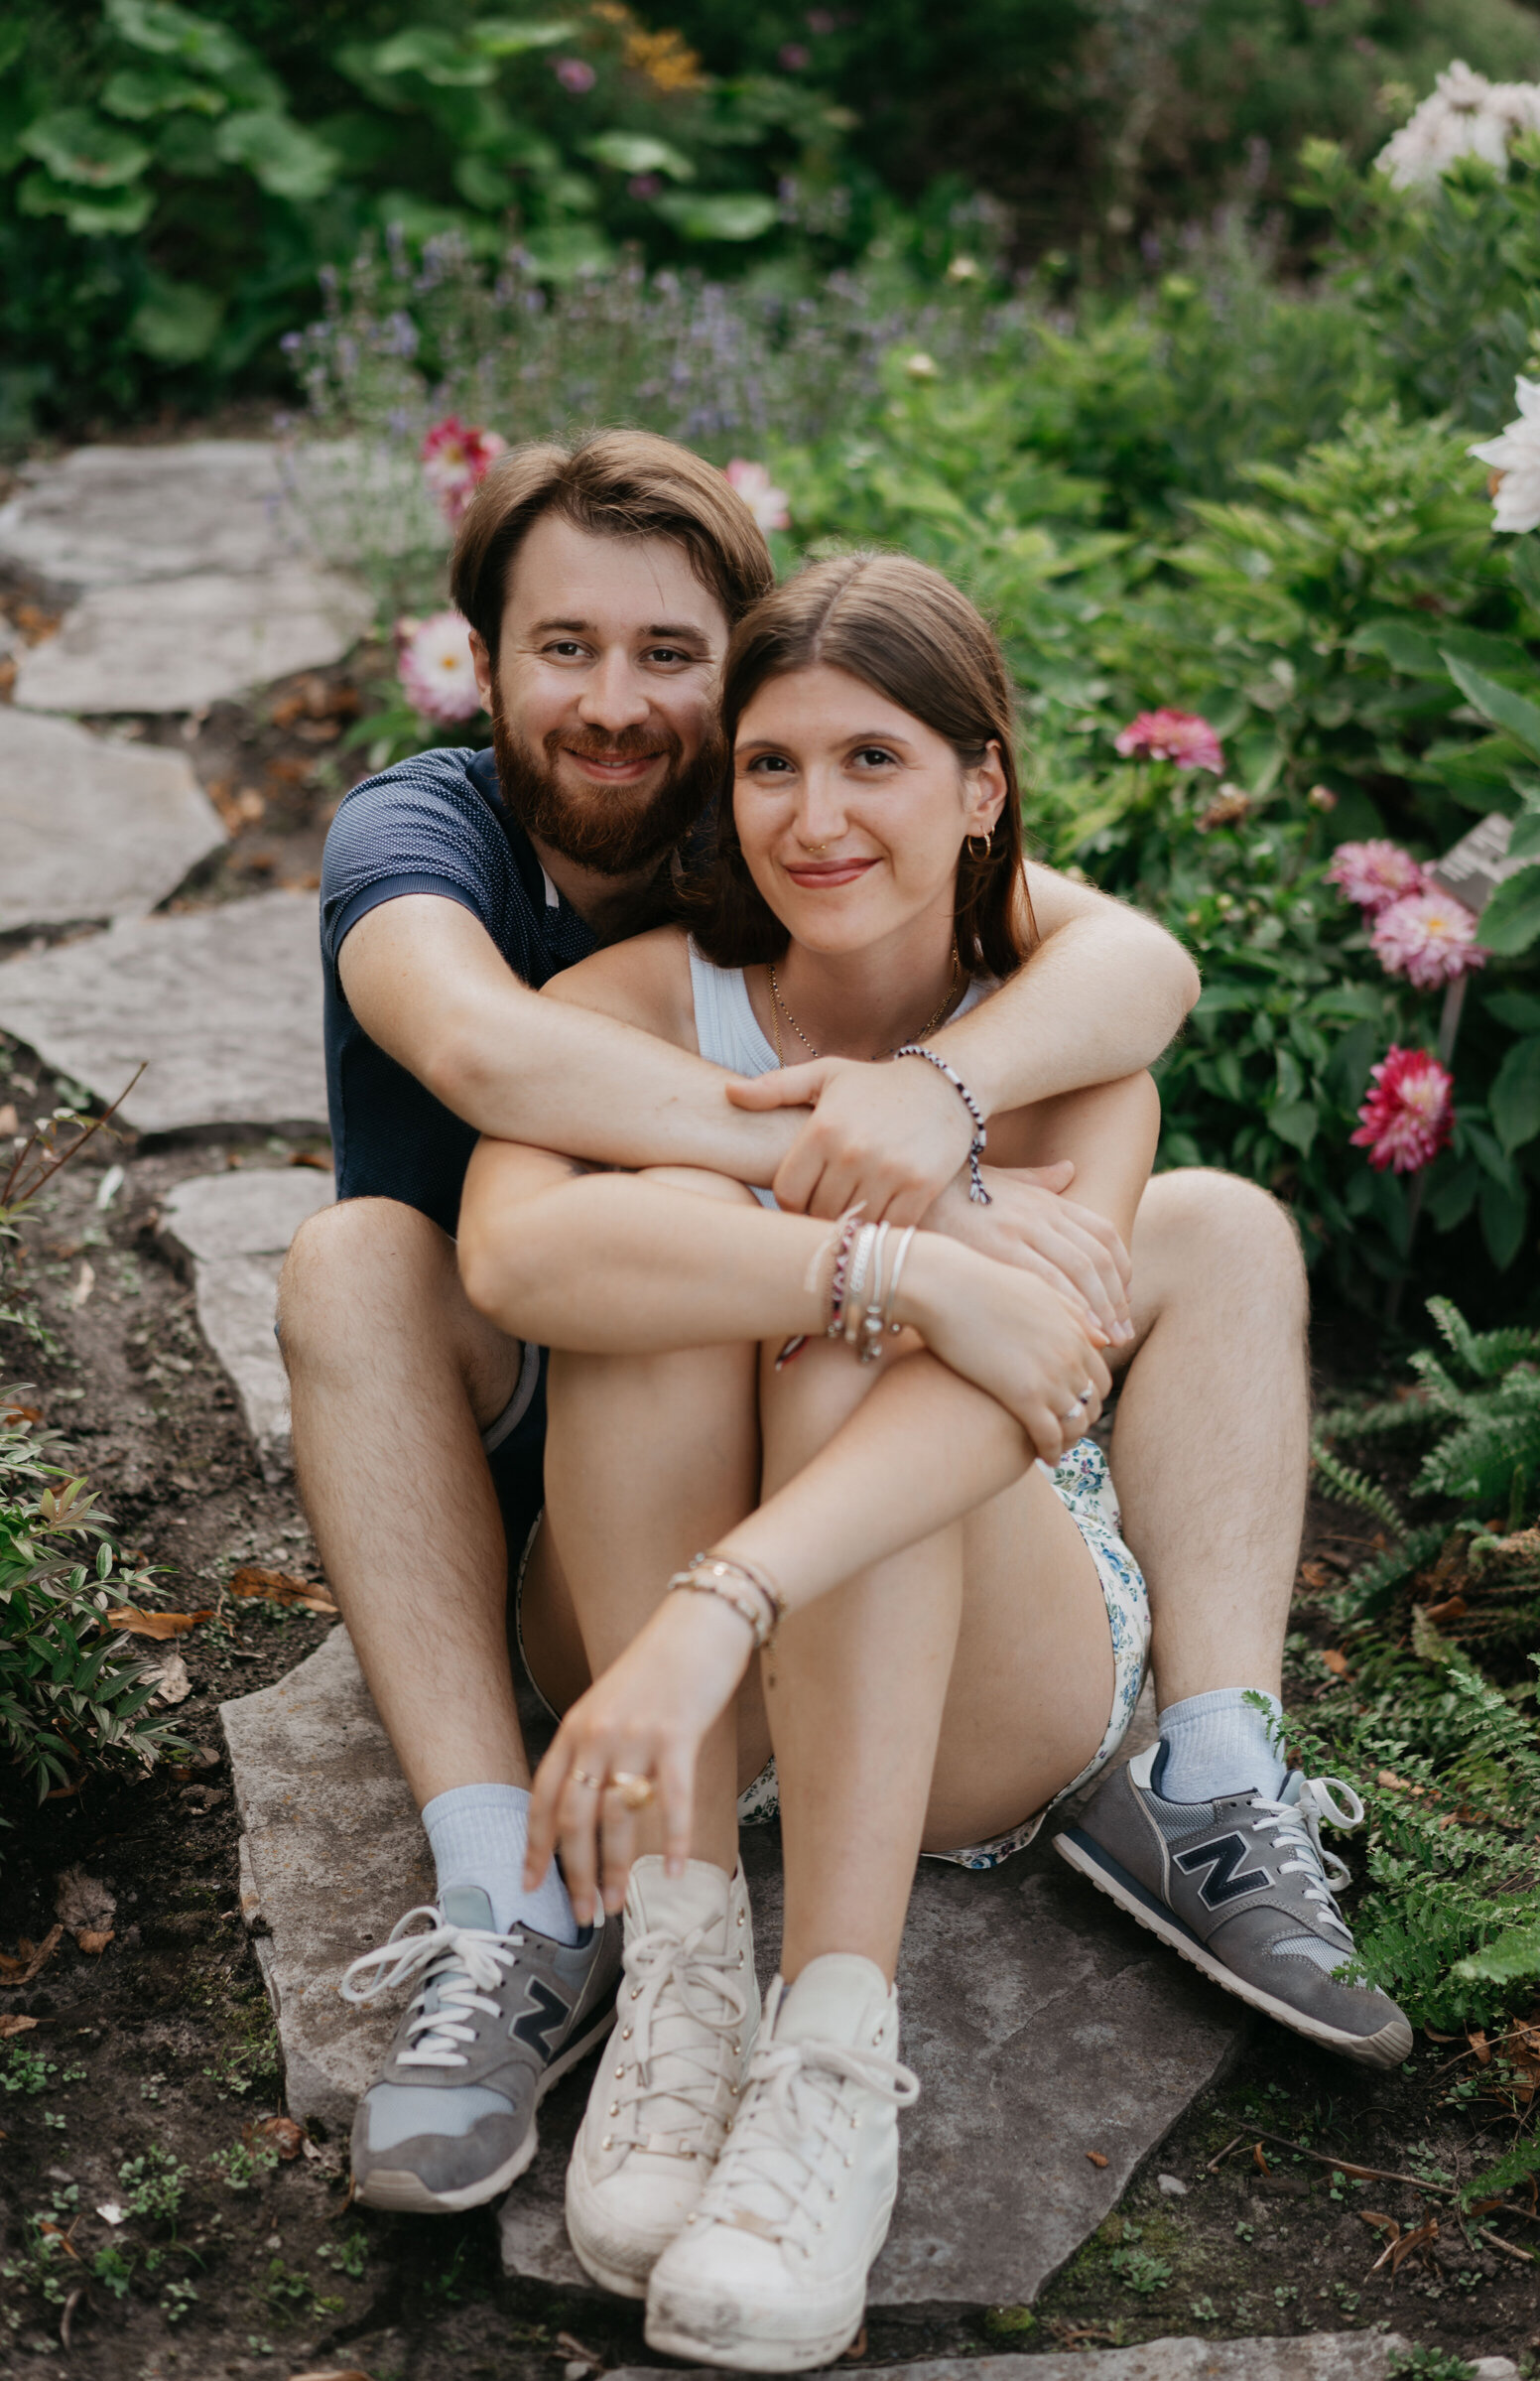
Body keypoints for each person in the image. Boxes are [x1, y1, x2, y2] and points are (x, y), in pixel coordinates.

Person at [276, 429, 1337, 2227]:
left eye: (673, 660)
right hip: (582, 1526)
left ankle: (1195, 1790)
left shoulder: (926, 923)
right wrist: (844, 1186)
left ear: (974, 784)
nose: (616, 702)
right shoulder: (437, 843)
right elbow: (481, 1070)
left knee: (1192, 1233)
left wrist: (942, 1091)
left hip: (901, 1632)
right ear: (486, 662)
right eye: (563, 649)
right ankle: (522, 1905)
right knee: (403, 1257)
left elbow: (1137, 966)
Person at [447, 552, 1410, 2369]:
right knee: (718, 1267)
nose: (814, 819)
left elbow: (1030, 1383)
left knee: (853, 1357)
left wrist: (728, 1597)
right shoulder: (633, 1004)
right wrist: (895, 1250)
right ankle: (682, 1970)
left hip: (941, 1707)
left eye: (872, 762)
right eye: (770, 766)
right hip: (647, 1703)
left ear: (982, 789)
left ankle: (831, 2055)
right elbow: (512, 1261)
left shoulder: (1068, 1055)